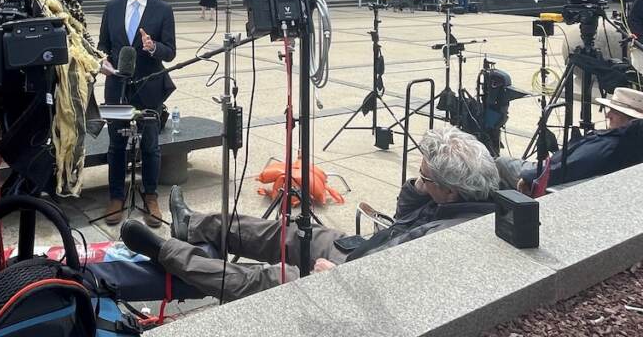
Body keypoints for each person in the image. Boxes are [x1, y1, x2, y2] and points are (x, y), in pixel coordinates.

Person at [120, 127, 498, 301]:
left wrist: (342, 277)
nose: (420, 180)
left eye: (426, 177)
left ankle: (168, 253)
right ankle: (194, 225)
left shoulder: (449, 234)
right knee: (285, 232)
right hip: (362, 250)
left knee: (271, 277)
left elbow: (401, 286)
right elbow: (401, 224)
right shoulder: (457, 197)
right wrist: (419, 188)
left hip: (358, 280)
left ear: (451, 189)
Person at [98, 0, 176, 228]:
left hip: (150, 87)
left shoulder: (162, 10)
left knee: (150, 146)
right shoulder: (112, 8)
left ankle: (151, 197)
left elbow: (171, 51)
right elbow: (103, 46)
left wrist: (153, 47)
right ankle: (116, 197)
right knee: (116, 144)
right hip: (117, 88)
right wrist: (102, 64)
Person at [496, 86, 643, 195]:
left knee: (500, 162)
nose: (608, 115)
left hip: (545, 175)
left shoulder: (607, 145)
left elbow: (567, 168)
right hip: (556, 168)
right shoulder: (626, 141)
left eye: (615, 112)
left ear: (631, 120)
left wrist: (529, 177)